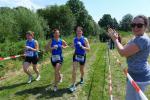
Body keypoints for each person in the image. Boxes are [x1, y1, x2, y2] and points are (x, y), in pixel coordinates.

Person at [108, 15, 150, 100]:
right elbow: (124, 49)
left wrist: (115, 40)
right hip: (134, 73)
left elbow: (123, 52)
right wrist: (117, 39)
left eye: (139, 25)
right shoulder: (136, 37)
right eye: (133, 25)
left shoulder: (142, 39)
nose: (135, 27)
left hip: (139, 76)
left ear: (145, 26)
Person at [69, 26, 90, 92]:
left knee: (81, 70)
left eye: (79, 31)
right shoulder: (74, 39)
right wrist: (73, 45)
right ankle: (73, 85)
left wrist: (82, 46)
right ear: (76, 32)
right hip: (76, 55)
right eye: (77, 31)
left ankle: (81, 77)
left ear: (82, 32)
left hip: (82, 56)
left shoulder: (85, 39)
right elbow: (72, 47)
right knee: (74, 70)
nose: (78, 32)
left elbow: (89, 49)